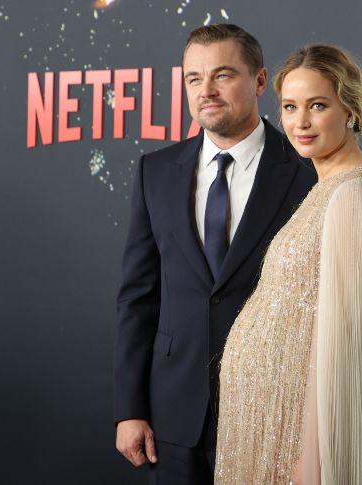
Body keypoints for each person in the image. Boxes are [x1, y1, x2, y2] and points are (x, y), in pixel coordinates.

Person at [114, 24, 317, 484]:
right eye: (194, 78)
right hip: (172, 414)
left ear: (260, 82)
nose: (206, 90)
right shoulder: (155, 172)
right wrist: (129, 408)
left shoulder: (307, 173)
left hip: (272, 414)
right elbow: (138, 298)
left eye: (222, 75)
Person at [215, 44, 362, 484]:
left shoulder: (354, 195)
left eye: (318, 105)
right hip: (268, 427)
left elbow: (343, 345)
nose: (300, 122)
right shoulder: (324, 190)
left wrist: (312, 458)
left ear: (350, 110)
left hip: (296, 443)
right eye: (290, 107)